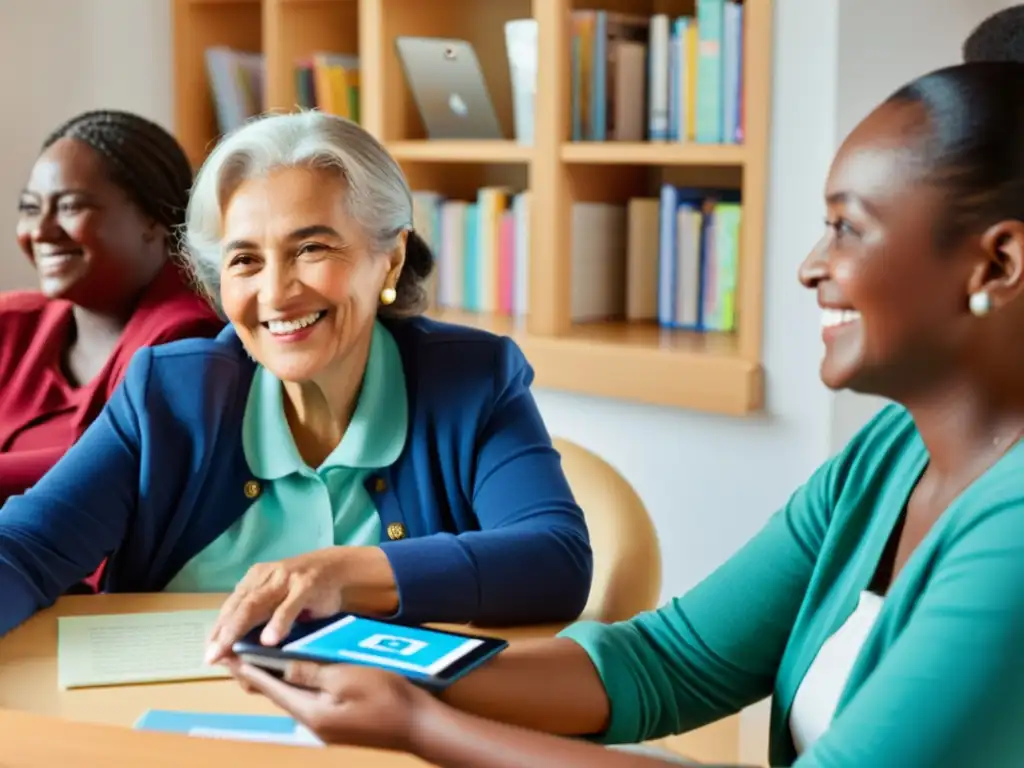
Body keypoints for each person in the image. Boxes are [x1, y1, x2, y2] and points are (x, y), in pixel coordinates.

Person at [227, 62, 1024, 767]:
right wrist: (402, 674)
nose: (811, 267)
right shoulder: (887, 455)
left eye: (848, 227)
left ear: (999, 262)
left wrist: (420, 724)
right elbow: (669, 662)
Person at [0, 111, 592, 650]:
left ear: (389, 256)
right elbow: (23, 548)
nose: (277, 293)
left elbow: (555, 558)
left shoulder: (471, 381)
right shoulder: (164, 396)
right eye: (245, 260)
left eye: (311, 247)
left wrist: (343, 573)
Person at [0, 110, 224, 504]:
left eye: (70, 207)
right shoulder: (12, 325)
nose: (41, 231)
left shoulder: (187, 340)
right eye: (31, 208)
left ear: (154, 219)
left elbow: (124, 466)